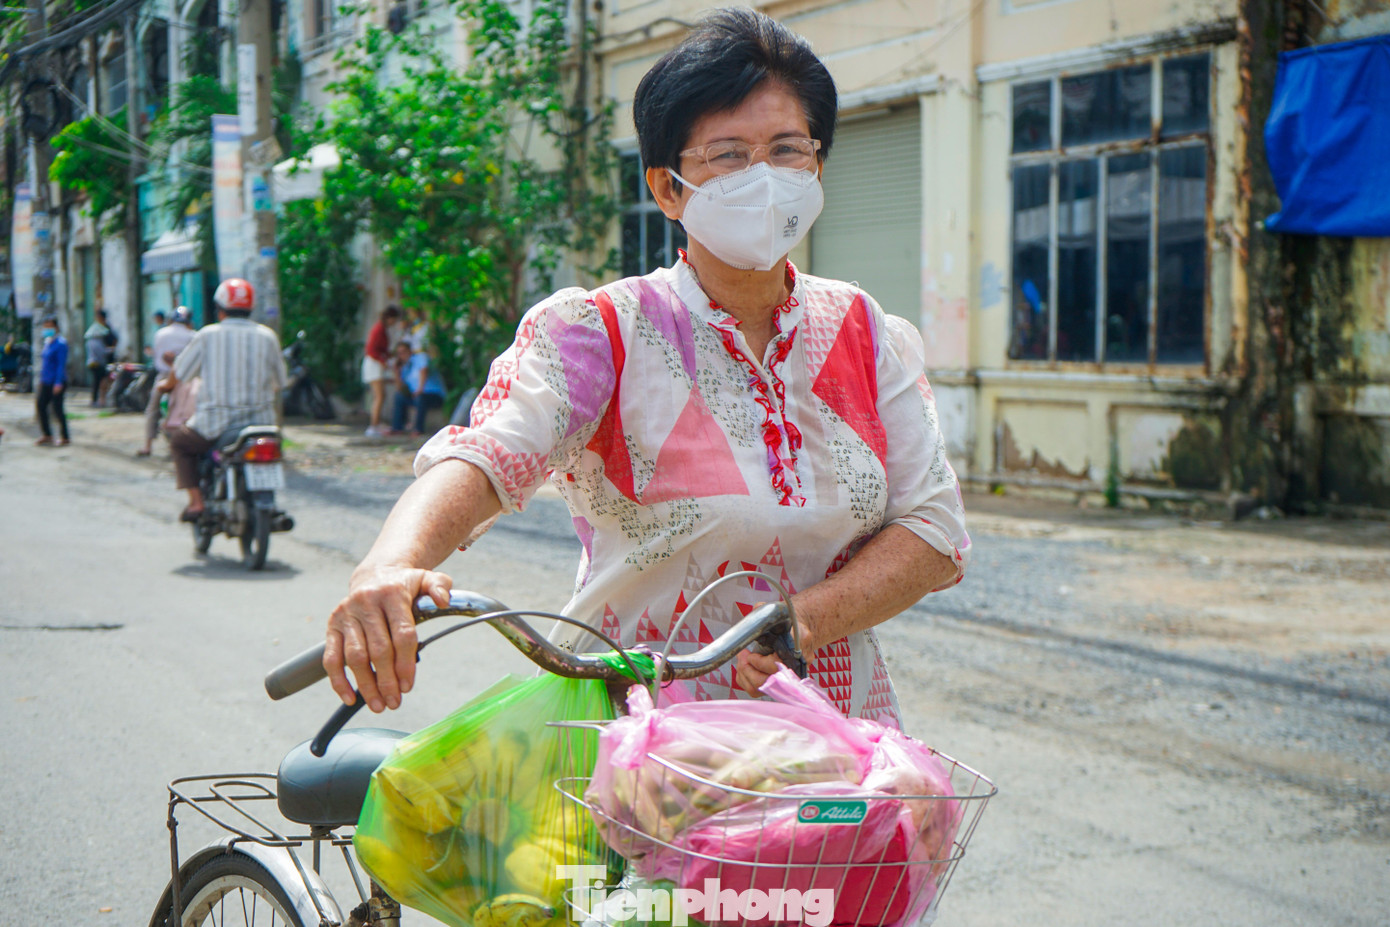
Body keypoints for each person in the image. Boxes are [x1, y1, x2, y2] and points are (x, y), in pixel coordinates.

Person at [322, 9, 969, 726]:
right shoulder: (604, 332)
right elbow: (488, 455)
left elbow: (935, 531)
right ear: (666, 189)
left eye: (789, 149)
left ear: (817, 164)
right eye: (727, 155)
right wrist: (389, 563)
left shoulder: (867, 331)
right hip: (638, 749)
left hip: (839, 744)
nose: (764, 178)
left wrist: (802, 621)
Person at [164, 278, 286, 522]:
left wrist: (167, 385)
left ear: (219, 309)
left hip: (214, 425)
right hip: (261, 424)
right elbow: (281, 381)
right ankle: (268, 504)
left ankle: (197, 503)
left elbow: (183, 372)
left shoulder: (208, 335)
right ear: (251, 308)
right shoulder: (267, 336)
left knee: (179, 443)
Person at [138, 307, 196, 457]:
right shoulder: (193, 336)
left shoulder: (160, 334)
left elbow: (156, 355)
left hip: (164, 376)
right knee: (188, 411)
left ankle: (147, 445)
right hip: (185, 379)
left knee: (152, 409)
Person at [389, 341, 447, 437]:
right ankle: (397, 427)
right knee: (399, 396)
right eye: (399, 353)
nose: (402, 355)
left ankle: (418, 429)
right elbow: (400, 388)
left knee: (420, 397)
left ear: (410, 351)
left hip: (433, 395)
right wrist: (396, 372)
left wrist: (420, 388)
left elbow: (424, 370)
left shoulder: (420, 357)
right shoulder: (405, 368)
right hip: (417, 396)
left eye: (404, 352)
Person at [362, 305, 402, 438]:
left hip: (376, 364)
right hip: (374, 364)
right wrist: (383, 361)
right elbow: (372, 350)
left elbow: (381, 350)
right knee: (379, 396)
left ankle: (376, 424)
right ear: (389, 318)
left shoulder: (382, 329)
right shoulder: (379, 329)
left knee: (381, 395)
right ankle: (373, 426)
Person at [34, 316, 70, 446]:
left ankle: (65, 437)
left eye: (50, 327)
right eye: (46, 327)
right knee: (41, 406)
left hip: (56, 382)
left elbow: (61, 365)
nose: (47, 329)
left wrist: (58, 382)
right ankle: (47, 434)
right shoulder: (47, 342)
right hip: (46, 381)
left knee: (57, 409)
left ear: (56, 328)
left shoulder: (61, 344)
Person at [84, 308, 115, 405]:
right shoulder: (95, 330)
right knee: (99, 381)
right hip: (98, 361)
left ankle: (101, 399)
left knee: (102, 381)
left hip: (104, 360)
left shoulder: (106, 329)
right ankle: (99, 399)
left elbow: (113, 341)